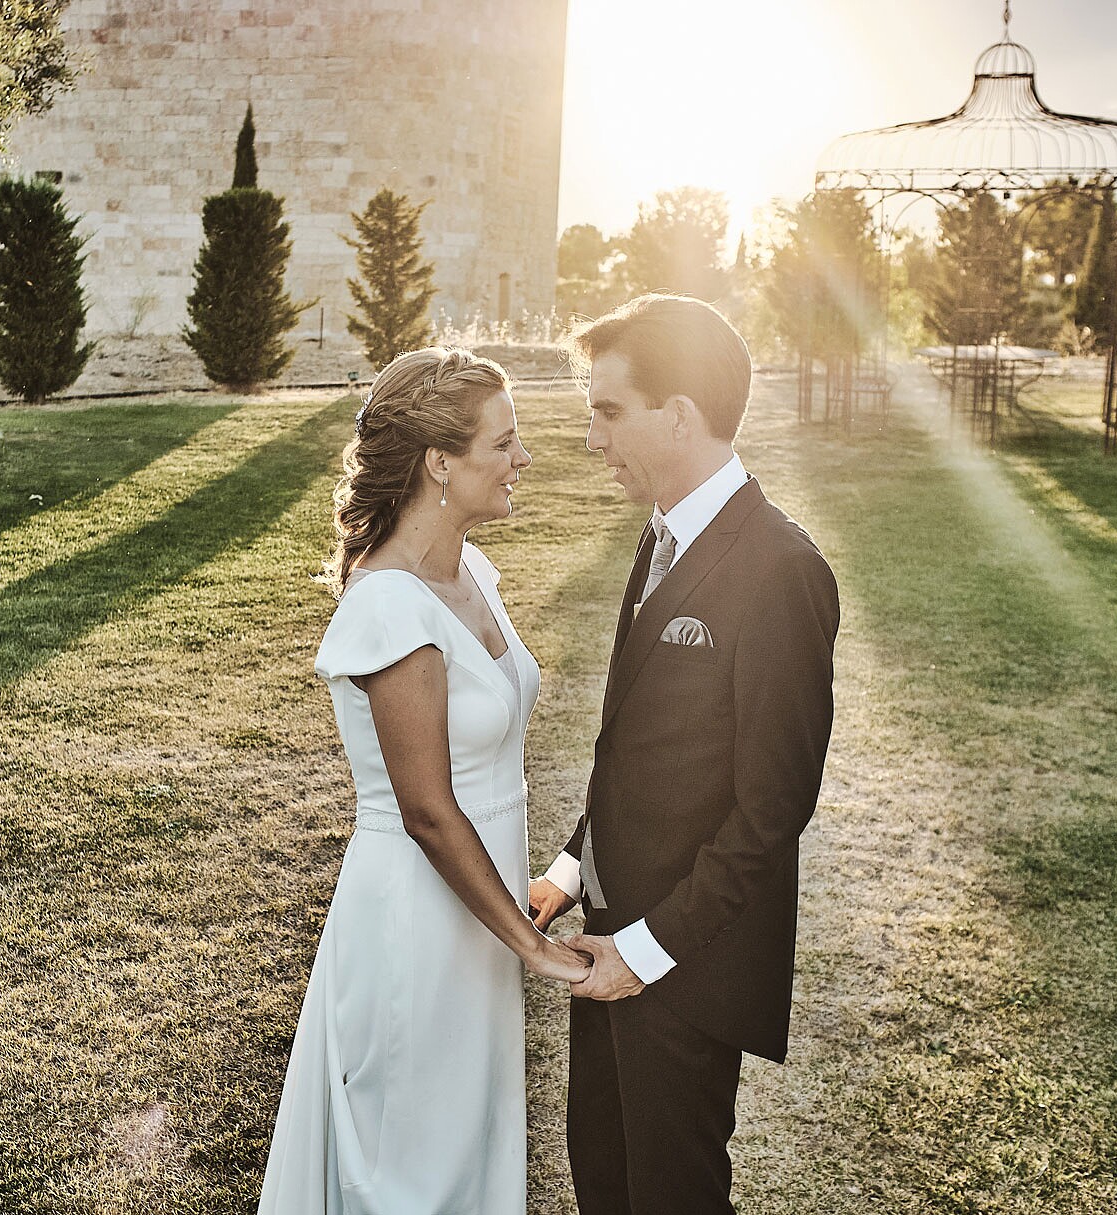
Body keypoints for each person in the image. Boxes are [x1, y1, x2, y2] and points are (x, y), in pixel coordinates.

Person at [259, 346, 591, 1214]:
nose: (524, 459)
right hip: (417, 922)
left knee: (466, 1147)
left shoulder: (472, 571)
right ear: (441, 462)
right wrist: (531, 947)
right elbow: (430, 811)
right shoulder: (388, 605)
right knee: (413, 1168)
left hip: (479, 920)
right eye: (505, 443)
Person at [528, 294, 841, 1215]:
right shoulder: (661, 533)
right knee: (606, 1188)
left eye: (608, 411)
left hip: (683, 966)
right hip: (607, 941)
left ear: (679, 416)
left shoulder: (782, 568)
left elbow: (772, 809)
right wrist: (567, 869)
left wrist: (645, 952)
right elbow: (640, 747)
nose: (592, 440)